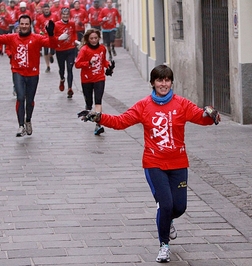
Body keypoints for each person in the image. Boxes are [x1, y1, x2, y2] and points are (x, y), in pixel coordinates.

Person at [77, 65, 221, 263]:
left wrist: (211, 115)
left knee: (179, 207)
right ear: (152, 83)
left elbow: (200, 117)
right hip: (154, 163)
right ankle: (164, 245)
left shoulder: (181, 104)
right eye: (159, 80)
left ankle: (167, 219)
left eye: (167, 80)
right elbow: (121, 121)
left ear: (171, 82)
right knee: (166, 204)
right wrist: (99, 117)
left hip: (178, 163)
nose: (163, 84)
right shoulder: (143, 106)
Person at [0, 15, 56, 137]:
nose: (24, 26)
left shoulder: (37, 38)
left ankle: (28, 120)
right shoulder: (12, 37)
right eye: (22, 24)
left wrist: (51, 34)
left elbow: (52, 44)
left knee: (30, 101)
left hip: (33, 73)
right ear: (18, 25)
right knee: (20, 97)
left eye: (26, 24)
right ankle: (21, 125)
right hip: (18, 71)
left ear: (30, 25)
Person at [74, 28, 114, 135]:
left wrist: (108, 66)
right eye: (91, 38)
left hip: (99, 78)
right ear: (88, 39)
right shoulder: (84, 50)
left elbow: (103, 60)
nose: (94, 40)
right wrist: (89, 62)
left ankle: (98, 125)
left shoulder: (102, 48)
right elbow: (77, 64)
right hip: (86, 79)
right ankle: (88, 110)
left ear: (99, 38)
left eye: (96, 38)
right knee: (89, 102)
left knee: (98, 100)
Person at [54, 7, 77, 98]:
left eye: (67, 15)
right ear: (61, 15)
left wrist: (75, 41)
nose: (65, 16)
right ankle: (62, 79)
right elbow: (52, 37)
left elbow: (74, 33)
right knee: (62, 69)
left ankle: (70, 88)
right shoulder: (56, 25)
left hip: (70, 49)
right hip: (60, 50)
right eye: (64, 15)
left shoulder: (72, 23)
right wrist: (58, 39)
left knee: (70, 68)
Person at [35, 3, 58, 73]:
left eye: (47, 9)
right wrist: (40, 32)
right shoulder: (40, 17)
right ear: (43, 10)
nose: (46, 11)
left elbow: (58, 24)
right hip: (44, 36)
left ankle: (51, 55)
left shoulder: (54, 16)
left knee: (53, 51)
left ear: (49, 9)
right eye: (45, 9)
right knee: (45, 51)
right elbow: (36, 26)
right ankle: (48, 66)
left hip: (52, 36)